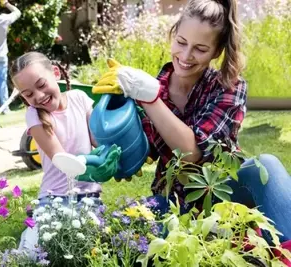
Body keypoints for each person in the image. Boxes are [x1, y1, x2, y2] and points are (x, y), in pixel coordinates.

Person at [92, 0, 291, 245]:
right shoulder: (149, 87)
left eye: (200, 48)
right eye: (181, 42)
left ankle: (283, 254)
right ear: (173, 35)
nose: (186, 56)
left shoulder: (229, 87)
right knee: (117, 234)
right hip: (175, 203)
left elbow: (190, 152)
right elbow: (136, 151)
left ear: (216, 51)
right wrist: (107, 155)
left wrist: (149, 99)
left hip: (223, 197)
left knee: (267, 166)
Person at [10, 51, 102, 207]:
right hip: (55, 197)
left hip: (90, 193)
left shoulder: (79, 98)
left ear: (55, 73)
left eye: (41, 85)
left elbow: (98, 141)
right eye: (29, 94)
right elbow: (61, 159)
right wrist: (99, 164)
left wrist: (117, 153)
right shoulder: (34, 115)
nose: (38, 96)